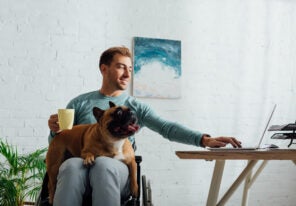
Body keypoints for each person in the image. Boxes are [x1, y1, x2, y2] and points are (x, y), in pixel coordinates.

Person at [48, 46, 241, 206]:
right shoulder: (79, 103)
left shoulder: (135, 107)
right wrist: (54, 131)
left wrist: (204, 139)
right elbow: (59, 140)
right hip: (81, 166)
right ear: (104, 69)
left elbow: (167, 127)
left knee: (104, 165)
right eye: (121, 67)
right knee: (71, 166)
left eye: (130, 69)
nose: (127, 74)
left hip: (113, 170)